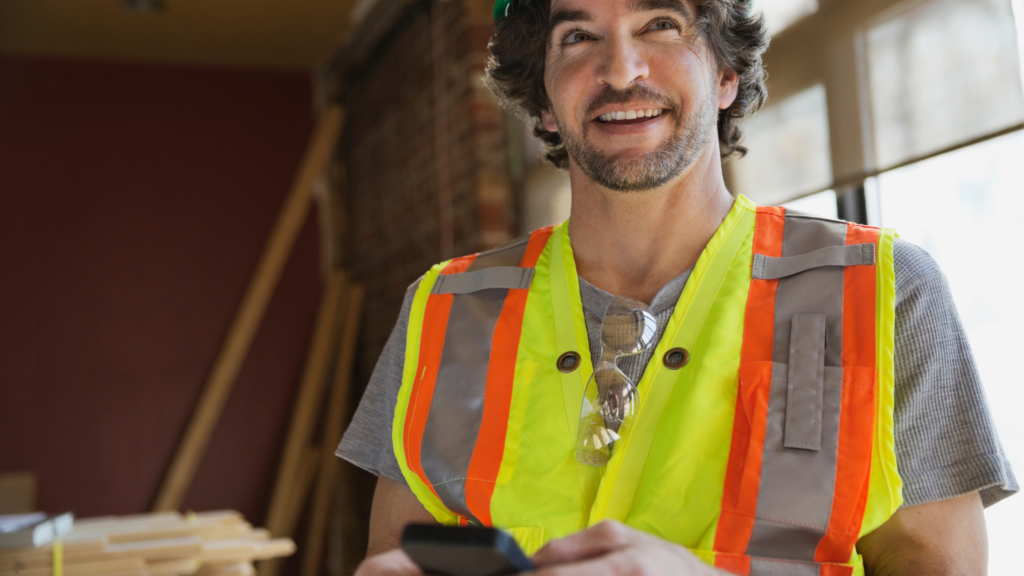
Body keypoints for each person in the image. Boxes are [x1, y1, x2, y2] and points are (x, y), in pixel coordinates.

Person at [337, 0, 1018, 574]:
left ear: (725, 73)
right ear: (541, 100)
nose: (621, 70)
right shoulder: (445, 310)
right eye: (577, 37)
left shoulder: (884, 292)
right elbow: (394, 554)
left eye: (660, 25)